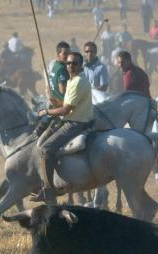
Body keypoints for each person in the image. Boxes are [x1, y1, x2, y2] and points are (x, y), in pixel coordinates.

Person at [32, 51, 93, 203]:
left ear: (81, 65)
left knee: (46, 149)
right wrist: (54, 101)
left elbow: (66, 110)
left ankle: (48, 190)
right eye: (69, 63)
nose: (71, 66)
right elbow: (65, 104)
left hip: (75, 123)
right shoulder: (72, 80)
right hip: (72, 118)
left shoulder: (78, 81)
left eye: (74, 63)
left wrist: (45, 111)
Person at [47, 41, 70, 107]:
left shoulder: (55, 65)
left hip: (55, 100)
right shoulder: (62, 69)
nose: (68, 56)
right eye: (65, 54)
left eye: (69, 53)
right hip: (62, 103)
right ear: (57, 54)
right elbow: (62, 90)